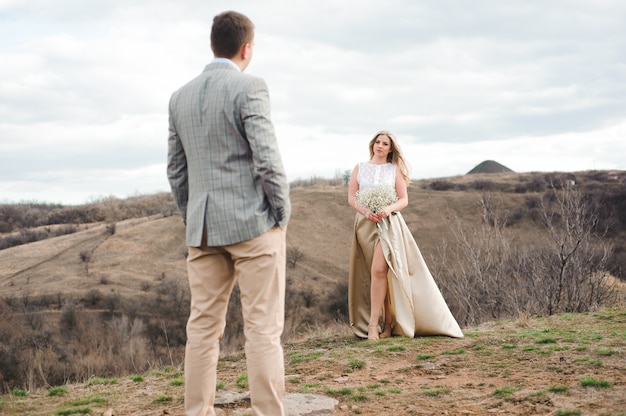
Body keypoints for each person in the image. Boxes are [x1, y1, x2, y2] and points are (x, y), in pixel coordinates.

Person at [167, 11, 291, 416]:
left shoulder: (179, 97)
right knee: (262, 329)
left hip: (202, 229)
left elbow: (176, 171)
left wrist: (193, 218)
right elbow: (268, 160)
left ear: (212, 45)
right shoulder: (249, 87)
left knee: (201, 330)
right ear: (246, 48)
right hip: (253, 224)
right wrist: (280, 214)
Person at [347, 131, 463, 341]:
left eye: (385, 144)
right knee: (374, 275)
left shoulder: (394, 170)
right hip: (365, 224)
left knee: (380, 270)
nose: (380, 146)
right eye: (378, 142)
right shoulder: (360, 168)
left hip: (388, 224)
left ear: (391, 149)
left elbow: (403, 199)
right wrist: (365, 211)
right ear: (372, 144)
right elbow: (351, 197)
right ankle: (388, 323)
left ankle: (373, 326)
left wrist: (388, 209)